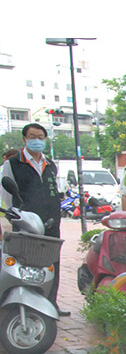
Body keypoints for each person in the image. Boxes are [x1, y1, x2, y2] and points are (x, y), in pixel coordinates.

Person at [1, 123, 69, 315]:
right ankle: (24, 303)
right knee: (26, 262)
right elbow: (7, 195)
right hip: (26, 223)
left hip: (51, 222)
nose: (37, 141)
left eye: (40, 137)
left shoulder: (50, 164)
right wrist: (15, 215)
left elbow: (54, 190)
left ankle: (51, 303)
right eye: (33, 137)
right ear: (24, 139)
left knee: (51, 263)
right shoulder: (13, 163)